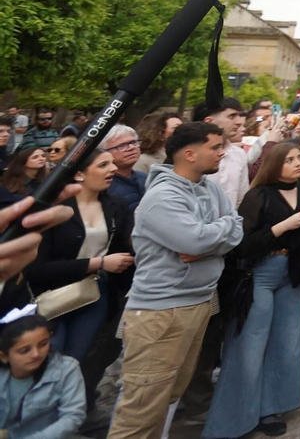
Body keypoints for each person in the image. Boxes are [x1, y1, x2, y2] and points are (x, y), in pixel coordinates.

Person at [108, 122, 244, 439]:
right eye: (215, 147)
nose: (222, 153)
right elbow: (195, 240)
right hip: (161, 313)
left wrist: (209, 242)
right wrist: (212, 238)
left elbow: (236, 228)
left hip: (198, 303)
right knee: (140, 410)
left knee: (167, 399)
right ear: (189, 154)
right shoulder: (162, 197)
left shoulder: (209, 187)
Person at [202, 142, 300, 439]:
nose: (297, 163)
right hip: (260, 273)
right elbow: (243, 244)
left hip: (293, 273)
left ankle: (272, 408)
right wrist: (283, 226)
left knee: (287, 343)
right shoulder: (258, 195)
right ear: (274, 164)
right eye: (289, 159)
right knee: (249, 345)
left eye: (299, 158)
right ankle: (235, 419)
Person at [24, 143, 134, 395]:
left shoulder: (116, 206)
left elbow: (128, 244)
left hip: (94, 295)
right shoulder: (53, 209)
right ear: (79, 174)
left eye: (112, 163)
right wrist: (99, 263)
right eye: (103, 165)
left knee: (76, 360)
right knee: (48, 360)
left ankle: (72, 410)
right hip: (50, 296)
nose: (113, 169)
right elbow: (36, 269)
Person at [0, 309, 87, 439]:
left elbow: (73, 416)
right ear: (4, 356)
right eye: (25, 350)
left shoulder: (67, 369)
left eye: (43, 344)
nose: (36, 354)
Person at [193, 98, 249, 206]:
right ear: (209, 121)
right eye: (231, 116)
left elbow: (241, 200)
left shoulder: (239, 154)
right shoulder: (190, 154)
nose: (238, 122)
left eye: (238, 116)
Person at [100, 125, 147, 211]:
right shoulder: (104, 187)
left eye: (133, 142)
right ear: (104, 152)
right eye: (122, 146)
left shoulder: (144, 177)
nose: (131, 148)